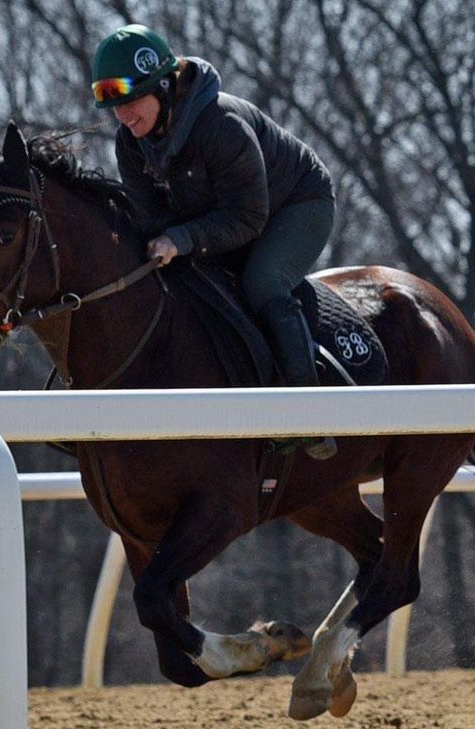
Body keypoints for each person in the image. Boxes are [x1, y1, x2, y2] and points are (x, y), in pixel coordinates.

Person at [90, 24, 337, 460]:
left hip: (296, 205)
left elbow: (248, 216)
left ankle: (309, 411)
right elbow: (151, 218)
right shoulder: (130, 143)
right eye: (114, 107)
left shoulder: (220, 125)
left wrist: (181, 238)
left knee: (262, 282)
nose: (124, 116)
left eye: (130, 101)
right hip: (228, 216)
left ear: (164, 88)